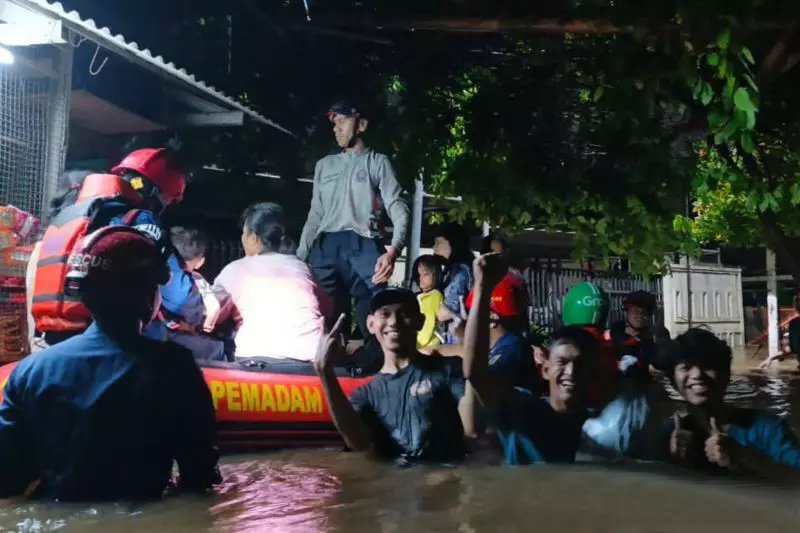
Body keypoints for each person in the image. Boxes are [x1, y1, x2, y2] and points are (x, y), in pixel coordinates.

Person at [0, 226, 221, 502]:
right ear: (148, 294)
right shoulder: (176, 369)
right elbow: (200, 476)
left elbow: (7, 481)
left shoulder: (30, 373)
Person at [30, 148, 202, 346]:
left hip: (50, 336)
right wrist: (197, 312)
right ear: (152, 191)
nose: (165, 206)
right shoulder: (139, 219)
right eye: (167, 199)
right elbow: (175, 293)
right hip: (103, 337)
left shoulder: (67, 218)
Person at [297, 102, 410, 368]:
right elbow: (315, 213)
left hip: (364, 246)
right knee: (325, 319)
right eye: (333, 124)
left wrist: (394, 250)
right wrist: (299, 258)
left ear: (361, 125)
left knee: (375, 317)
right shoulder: (324, 165)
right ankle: (327, 376)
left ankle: (377, 375)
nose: (335, 129)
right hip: (326, 246)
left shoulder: (377, 162)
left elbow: (397, 205)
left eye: (342, 122)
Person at [461, 253, 597, 465]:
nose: (570, 372)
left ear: (592, 372)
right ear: (545, 369)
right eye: (562, 363)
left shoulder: (598, 428)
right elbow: (476, 375)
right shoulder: (524, 410)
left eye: (579, 365)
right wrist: (483, 289)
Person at [313, 288, 473, 465]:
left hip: (446, 476)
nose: (394, 322)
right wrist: (325, 372)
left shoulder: (448, 370)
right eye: (385, 314)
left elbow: (473, 430)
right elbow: (358, 444)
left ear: (420, 321)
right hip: (396, 478)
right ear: (371, 324)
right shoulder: (366, 395)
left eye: (404, 314)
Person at [663, 328, 800, 480]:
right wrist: (672, 461)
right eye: (686, 367)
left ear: (727, 375)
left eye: (708, 365)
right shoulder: (666, 435)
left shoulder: (767, 430)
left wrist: (744, 457)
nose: (697, 375)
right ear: (673, 382)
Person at [212, 202, 328, 363]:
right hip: (311, 361)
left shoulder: (237, 269)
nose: (242, 238)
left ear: (254, 239)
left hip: (257, 360)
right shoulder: (302, 267)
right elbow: (325, 308)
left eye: (244, 233)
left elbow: (210, 313)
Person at [463, 273, 537, 392]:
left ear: (493, 318)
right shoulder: (506, 342)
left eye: (472, 314)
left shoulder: (509, 351)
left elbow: (479, 385)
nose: (469, 320)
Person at [165, 227, 227, 362]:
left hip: (152, 332)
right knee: (218, 349)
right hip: (176, 338)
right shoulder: (195, 280)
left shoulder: (160, 268)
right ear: (200, 262)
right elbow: (213, 308)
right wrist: (206, 326)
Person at [433, 222, 475, 344]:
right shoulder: (466, 267)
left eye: (439, 243)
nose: (434, 248)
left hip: (457, 341)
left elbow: (445, 312)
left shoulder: (459, 271)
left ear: (453, 243)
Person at [608, 290, 670, 371]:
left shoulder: (656, 342)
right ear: (626, 311)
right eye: (636, 311)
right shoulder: (611, 339)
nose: (640, 315)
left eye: (645, 312)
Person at [410, 254, 446, 350]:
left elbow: (427, 325)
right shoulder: (425, 295)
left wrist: (417, 346)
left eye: (425, 274)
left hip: (427, 346)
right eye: (418, 274)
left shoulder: (433, 296)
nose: (420, 278)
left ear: (436, 275)